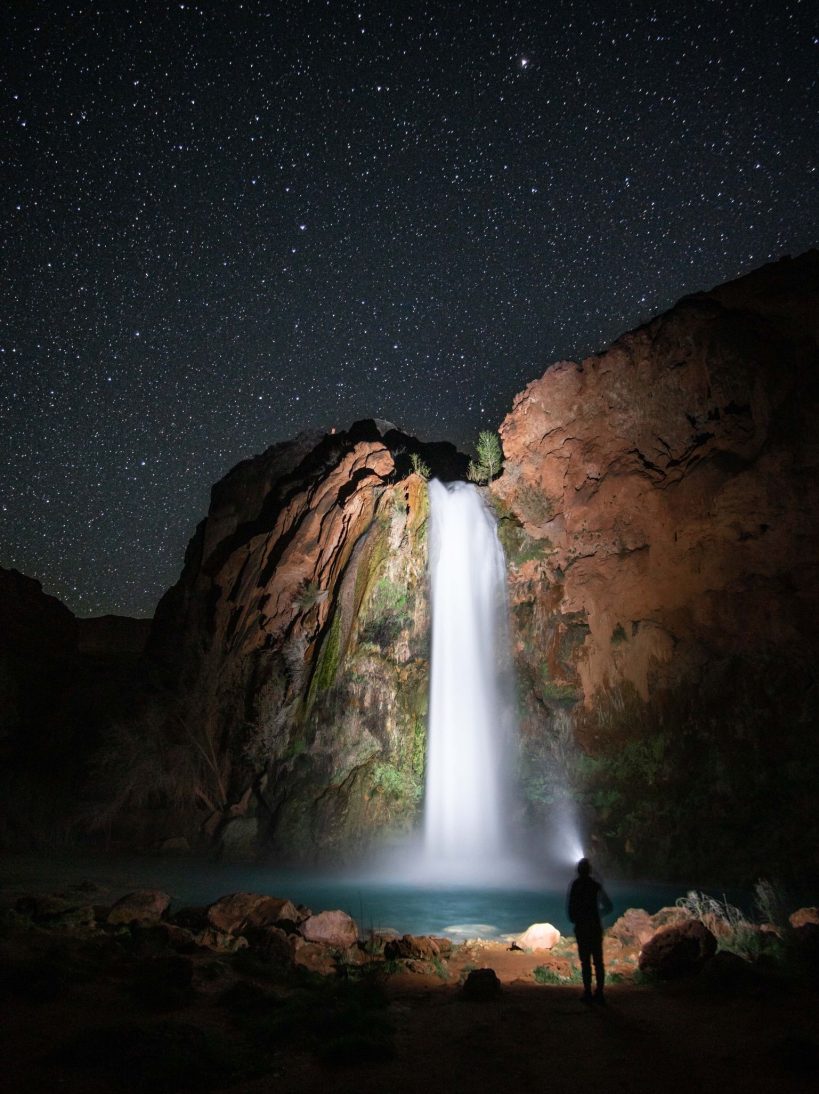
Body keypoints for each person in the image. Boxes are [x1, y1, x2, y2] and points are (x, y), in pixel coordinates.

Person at [567, 857, 613, 1004]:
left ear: (578, 871)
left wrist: (575, 919)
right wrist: (599, 914)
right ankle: (599, 993)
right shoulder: (595, 885)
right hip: (594, 926)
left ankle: (587, 992)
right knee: (598, 962)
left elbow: (570, 907)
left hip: (581, 927)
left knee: (585, 961)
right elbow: (609, 906)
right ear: (589, 870)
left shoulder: (575, 885)